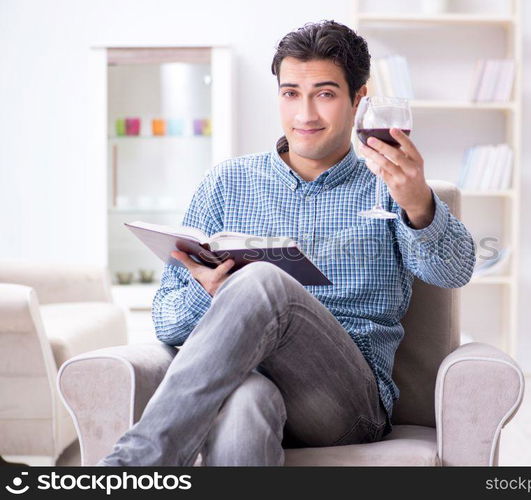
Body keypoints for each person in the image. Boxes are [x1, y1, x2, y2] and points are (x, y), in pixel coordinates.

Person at [99, 19, 475, 466]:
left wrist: (419, 204)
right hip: (251, 380)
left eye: (325, 94)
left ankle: (132, 467)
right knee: (243, 405)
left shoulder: (388, 186)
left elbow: (455, 271)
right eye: (291, 93)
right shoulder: (227, 183)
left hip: (347, 404)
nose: (305, 115)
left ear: (359, 101)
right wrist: (213, 295)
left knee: (264, 282)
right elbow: (166, 320)